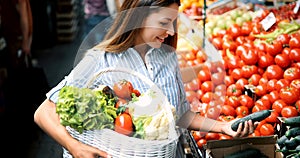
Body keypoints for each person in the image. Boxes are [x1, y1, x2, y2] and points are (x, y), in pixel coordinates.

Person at [34, 0, 257, 158]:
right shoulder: (100, 59)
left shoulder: (167, 57)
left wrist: (223, 126)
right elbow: (43, 112)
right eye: (163, 23)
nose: (170, 31)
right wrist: (74, 147)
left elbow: (181, 116)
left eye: (173, 23)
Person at [0, 0, 33, 69]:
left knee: (18, 68)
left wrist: (25, 41)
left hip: (16, 38)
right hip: (14, 37)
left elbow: (23, 16)